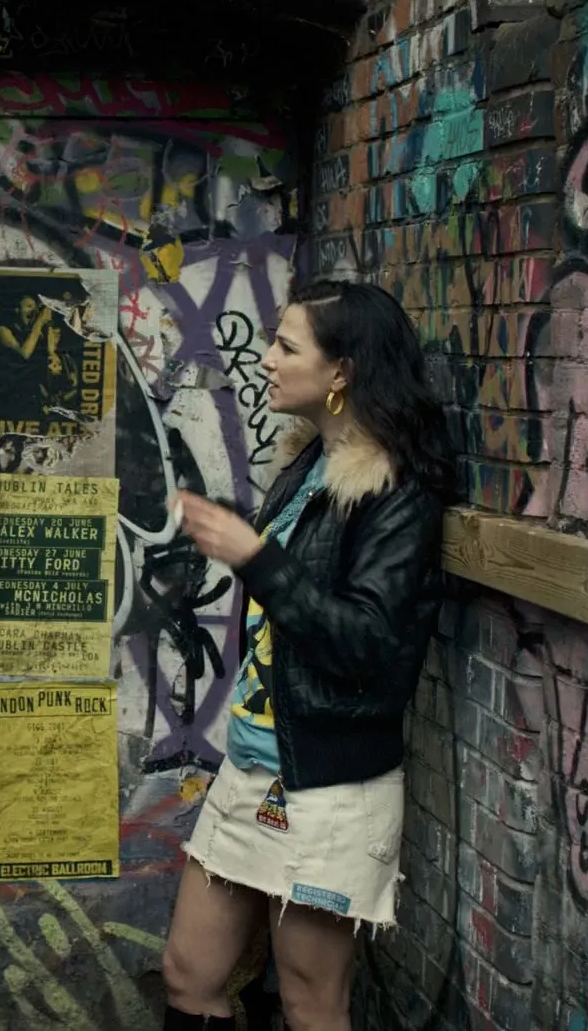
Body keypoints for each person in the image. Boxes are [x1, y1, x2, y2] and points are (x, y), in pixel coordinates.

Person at [161, 279, 455, 1031]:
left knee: (310, 1003)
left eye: (286, 346)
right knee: (189, 974)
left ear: (341, 372)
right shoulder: (309, 465)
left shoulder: (396, 489)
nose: (266, 358)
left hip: (329, 786)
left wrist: (256, 556)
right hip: (253, 763)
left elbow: (367, 642)